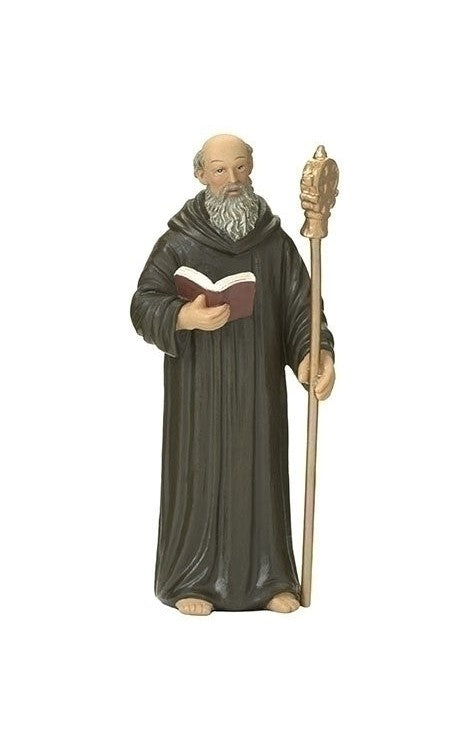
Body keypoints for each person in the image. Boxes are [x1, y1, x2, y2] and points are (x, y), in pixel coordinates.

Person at [130, 134, 335, 615]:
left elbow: (302, 310)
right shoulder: (179, 241)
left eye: (241, 167)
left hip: (258, 389)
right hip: (198, 391)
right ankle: (191, 579)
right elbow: (143, 302)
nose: (233, 179)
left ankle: (271, 578)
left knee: (260, 474)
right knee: (200, 475)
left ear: (252, 169)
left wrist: (314, 356)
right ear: (201, 174)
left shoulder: (274, 243)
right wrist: (183, 316)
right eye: (220, 170)